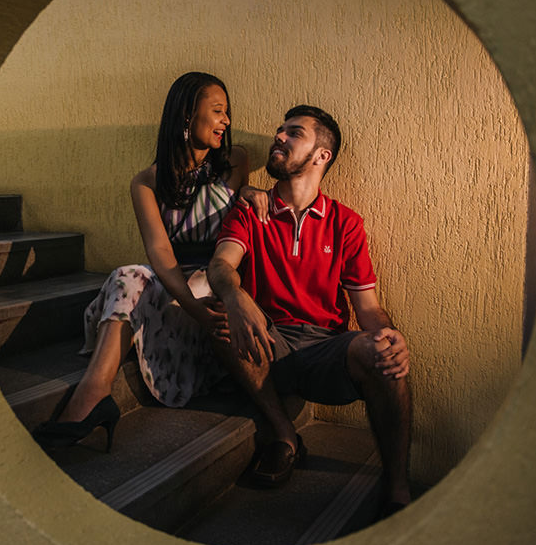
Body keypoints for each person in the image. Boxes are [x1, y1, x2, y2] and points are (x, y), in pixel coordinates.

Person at [33, 71, 266, 451]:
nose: (226, 120)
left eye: (228, 112)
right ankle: (93, 394)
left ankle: (88, 400)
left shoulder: (235, 162)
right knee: (128, 275)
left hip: (216, 285)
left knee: (174, 282)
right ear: (187, 116)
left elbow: (241, 215)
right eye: (218, 111)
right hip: (179, 291)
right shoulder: (146, 182)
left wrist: (250, 190)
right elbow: (161, 257)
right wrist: (196, 311)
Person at [207, 105, 412, 519]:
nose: (279, 136)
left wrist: (390, 337)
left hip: (326, 346)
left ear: (321, 156)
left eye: (294, 133)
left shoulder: (346, 223)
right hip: (269, 339)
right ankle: (285, 435)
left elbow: (367, 308)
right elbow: (220, 265)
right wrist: (235, 295)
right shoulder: (251, 209)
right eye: (280, 129)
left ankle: (397, 487)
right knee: (222, 320)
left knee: (386, 358)